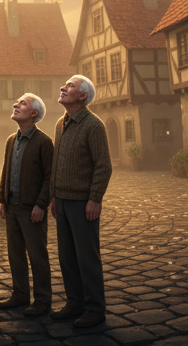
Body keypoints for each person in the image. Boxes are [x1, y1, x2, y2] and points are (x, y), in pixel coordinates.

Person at [49, 74, 112, 328]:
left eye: (70, 86)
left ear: (82, 96)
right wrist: (53, 196)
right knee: (67, 256)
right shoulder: (59, 124)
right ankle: (74, 303)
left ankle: (95, 308)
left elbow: (103, 166)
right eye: (65, 84)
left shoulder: (93, 125)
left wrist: (94, 199)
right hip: (61, 202)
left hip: (82, 203)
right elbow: (56, 163)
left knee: (87, 257)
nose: (63, 87)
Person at [0, 93, 54, 316]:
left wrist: (41, 204)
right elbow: (5, 171)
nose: (15, 105)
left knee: (37, 255)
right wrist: (2, 199)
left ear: (34, 113)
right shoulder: (11, 140)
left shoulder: (44, 142)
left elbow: (50, 177)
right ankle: (20, 295)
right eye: (17, 102)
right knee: (15, 254)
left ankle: (42, 300)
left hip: (32, 210)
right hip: (12, 208)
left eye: (22, 103)